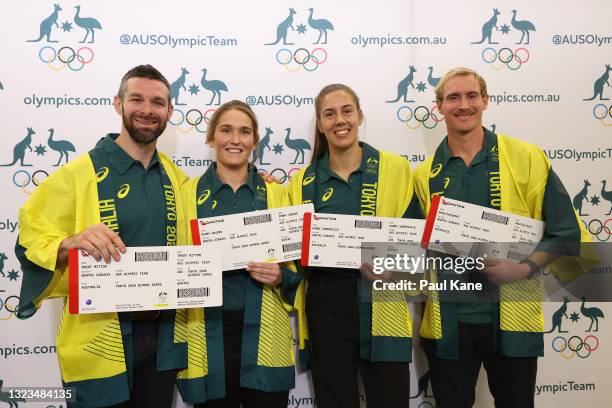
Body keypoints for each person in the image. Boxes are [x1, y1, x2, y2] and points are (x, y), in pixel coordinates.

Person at [413, 67, 592, 408]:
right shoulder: (424, 175)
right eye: (453, 97)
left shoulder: (525, 158)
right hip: (447, 323)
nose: (463, 104)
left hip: (514, 315)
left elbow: (566, 232)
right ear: (439, 106)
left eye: (471, 95)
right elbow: (412, 245)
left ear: (485, 100)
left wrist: (523, 269)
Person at [15, 65, 190, 407]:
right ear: (118, 104)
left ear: (169, 112)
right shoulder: (79, 173)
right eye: (136, 99)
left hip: (162, 339)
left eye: (157, 102)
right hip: (98, 340)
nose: (146, 110)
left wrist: (262, 185)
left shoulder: (178, 179)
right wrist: (69, 242)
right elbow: (29, 241)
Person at [287, 84, 421, 408]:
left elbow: (415, 245)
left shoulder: (396, 169)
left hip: (383, 302)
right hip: (326, 306)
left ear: (360, 115)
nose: (339, 120)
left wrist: (392, 268)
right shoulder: (301, 182)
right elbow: (291, 252)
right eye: (329, 114)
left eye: (347, 110)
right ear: (319, 124)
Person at [176, 100, 301, 408]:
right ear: (211, 138)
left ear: (255, 142)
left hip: (266, 336)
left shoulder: (278, 194)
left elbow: (300, 268)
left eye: (244, 132)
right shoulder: (185, 196)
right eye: (226, 130)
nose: (235, 139)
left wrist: (281, 274)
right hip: (207, 338)